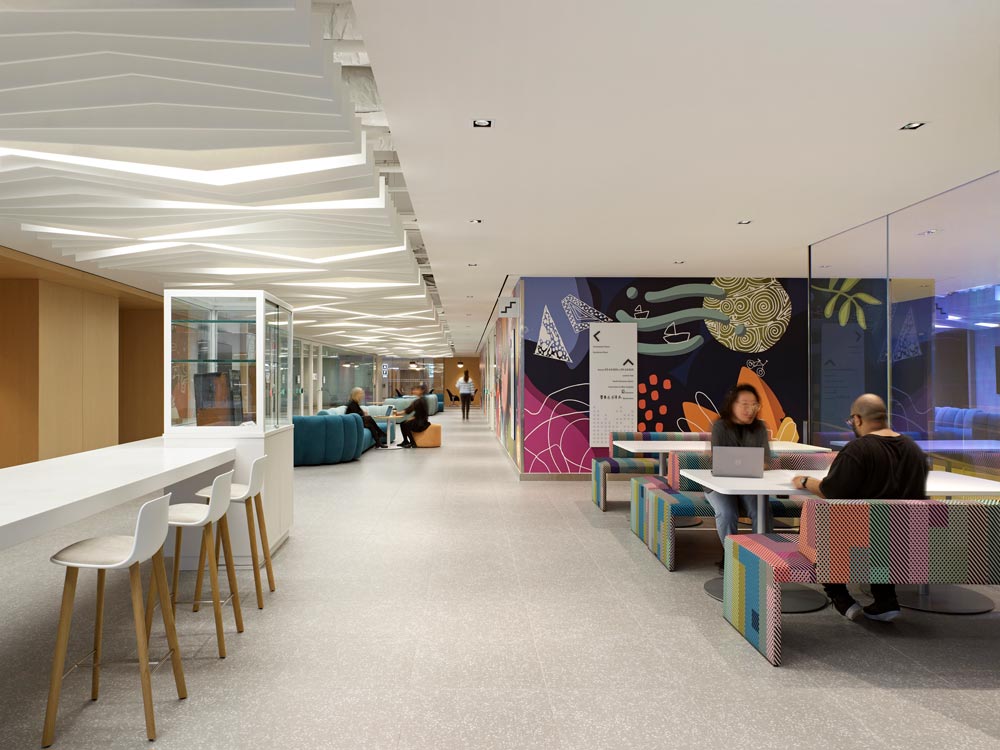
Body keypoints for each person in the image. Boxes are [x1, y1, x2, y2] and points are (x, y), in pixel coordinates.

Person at [792, 393, 927, 623]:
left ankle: (841, 597)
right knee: (884, 524)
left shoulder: (858, 450)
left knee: (818, 518)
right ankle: (885, 599)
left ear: (857, 419)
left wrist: (805, 482)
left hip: (856, 543)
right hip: (903, 542)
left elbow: (831, 490)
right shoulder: (914, 451)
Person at [707, 384, 772, 573]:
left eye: (754, 405)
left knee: (762, 511)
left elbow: (766, 461)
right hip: (720, 485)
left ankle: (761, 558)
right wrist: (750, 463)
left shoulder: (760, 427)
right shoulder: (719, 426)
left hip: (750, 484)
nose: (749, 409)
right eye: (744, 404)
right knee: (727, 513)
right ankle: (731, 557)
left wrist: (747, 466)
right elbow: (716, 460)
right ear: (732, 404)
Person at [399, 383, 431, 448]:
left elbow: (408, 410)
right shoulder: (421, 400)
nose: (414, 391)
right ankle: (405, 441)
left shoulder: (419, 401)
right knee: (402, 423)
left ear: (421, 391)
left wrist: (398, 413)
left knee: (406, 424)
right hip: (420, 421)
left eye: (416, 390)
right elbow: (413, 411)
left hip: (421, 423)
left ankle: (412, 442)